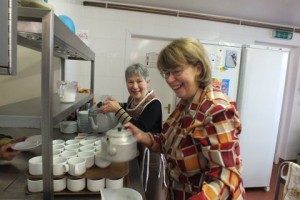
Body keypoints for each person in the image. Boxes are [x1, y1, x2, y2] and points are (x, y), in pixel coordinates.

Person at [124, 38, 245, 200]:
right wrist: (142, 135)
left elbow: (226, 178)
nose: (169, 79)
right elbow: (169, 144)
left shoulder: (215, 109)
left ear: (198, 68)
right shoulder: (185, 104)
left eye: (176, 71)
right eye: (166, 73)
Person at [99, 63, 166, 200]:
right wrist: (117, 104)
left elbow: (140, 127)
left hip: (150, 156)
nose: (135, 86)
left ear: (147, 82)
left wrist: (117, 110)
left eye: (139, 81)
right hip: (136, 151)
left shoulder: (154, 104)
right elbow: (130, 109)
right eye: (130, 82)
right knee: (136, 188)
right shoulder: (132, 99)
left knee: (149, 192)